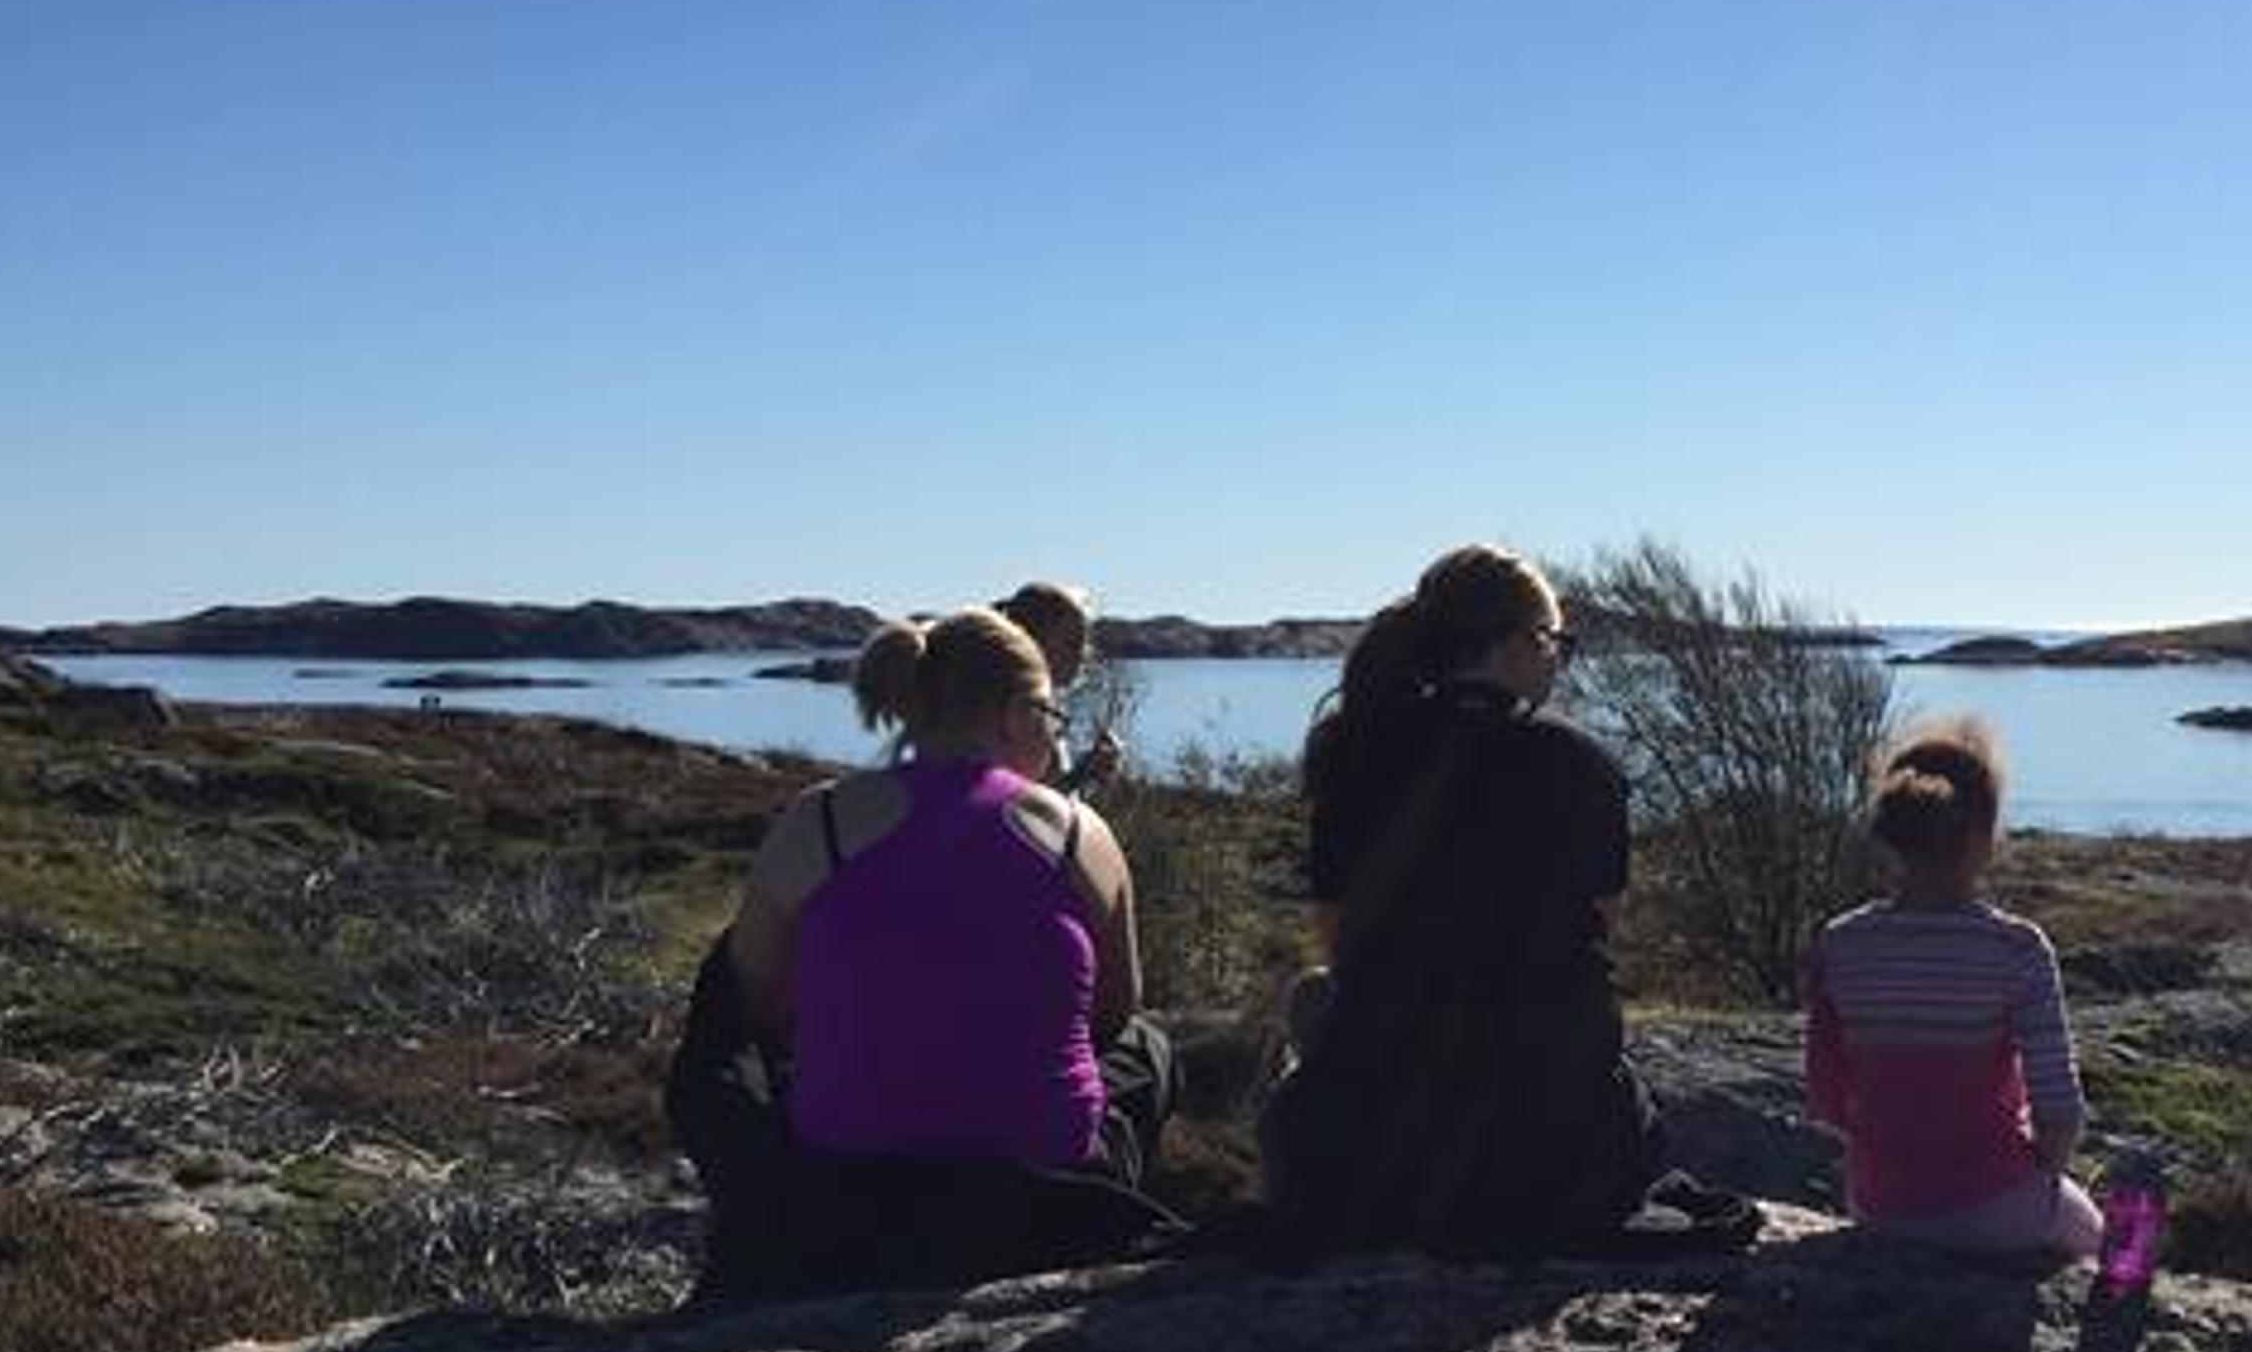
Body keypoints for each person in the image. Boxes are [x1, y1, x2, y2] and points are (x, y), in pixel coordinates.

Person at [671, 607, 1175, 1296]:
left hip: (837, 1191)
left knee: (714, 1028)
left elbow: (750, 1005)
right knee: (1149, 1045)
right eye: (1053, 720)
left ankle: (751, 1240)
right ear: (1015, 713)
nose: (1056, 743)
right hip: (1041, 1197)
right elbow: (1114, 1013)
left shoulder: (818, 821)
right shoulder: (1077, 834)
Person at [1256, 544, 1699, 1257]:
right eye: (1558, 642)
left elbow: (1341, 942)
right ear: (1521, 643)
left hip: (1376, 1146)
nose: (1560, 659)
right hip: (1553, 1142)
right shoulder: (1579, 765)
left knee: (1313, 1004)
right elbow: (1597, 930)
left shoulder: (1354, 755)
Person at [1802, 720, 2101, 1263]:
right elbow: (2060, 1111)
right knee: (2119, 1228)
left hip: (1878, 1203)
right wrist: (2042, 1171)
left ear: (1891, 835)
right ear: (1986, 836)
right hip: (1995, 1205)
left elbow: (1826, 1096)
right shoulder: (2017, 949)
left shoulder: (1840, 944)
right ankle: (2134, 1296)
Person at [998, 578, 1125, 793]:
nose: (1084, 654)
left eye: (1086, 643)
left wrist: (1085, 775)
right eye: (1073, 643)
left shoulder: (1034, 708)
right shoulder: (1019, 717)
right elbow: (1023, 812)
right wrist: (1083, 773)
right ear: (1032, 642)